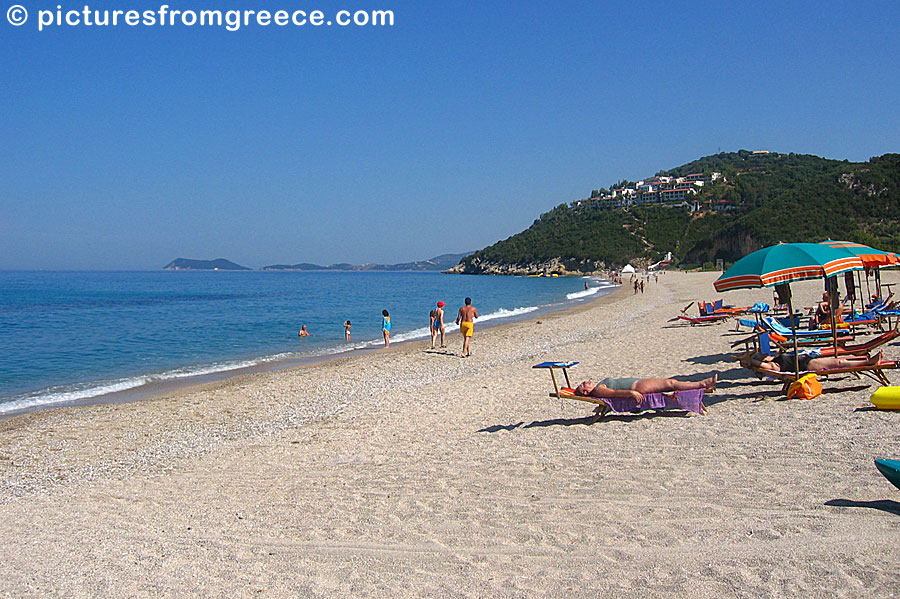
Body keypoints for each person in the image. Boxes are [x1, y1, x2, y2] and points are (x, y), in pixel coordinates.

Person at [574, 374, 718, 405]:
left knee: (671, 384)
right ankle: (702, 384)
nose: (586, 381)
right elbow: (614, 394)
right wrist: (631, 392)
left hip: (638, 385)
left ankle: (699, 386)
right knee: (671, 384)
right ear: (586, 392)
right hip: (637, 387)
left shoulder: (598, 386)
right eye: (583, 384)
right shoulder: (599, 390)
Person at [742, 349, 884, 373]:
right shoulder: (773, 365)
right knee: (839, 363)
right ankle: (868, 362)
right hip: (806, 364)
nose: (766, 353)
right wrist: (750, 361)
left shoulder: (775, 358)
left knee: (838, 360)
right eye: (762, 354)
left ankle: (866, 361)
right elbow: (762, 366)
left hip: (807, 359)